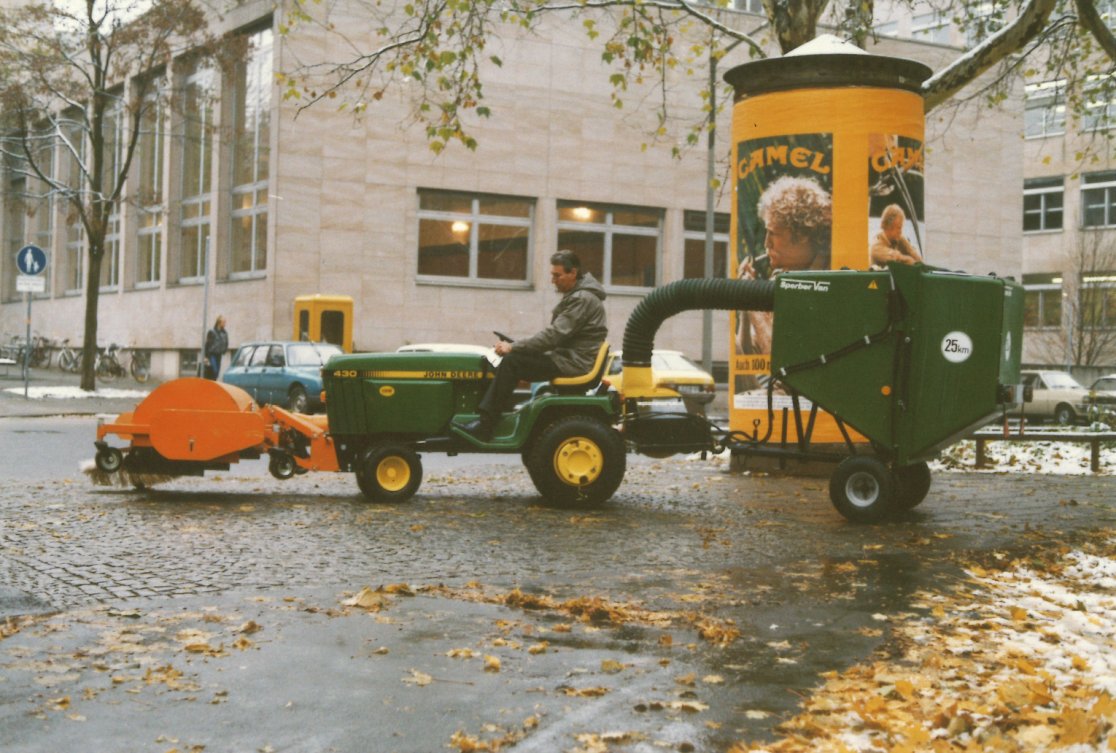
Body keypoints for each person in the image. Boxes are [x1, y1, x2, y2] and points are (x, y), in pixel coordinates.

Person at [458, 250, 607, 440]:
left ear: (573, 273)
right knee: (513, 359)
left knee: (512, 362)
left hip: (572, 363)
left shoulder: (582, 299)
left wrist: (513, 347)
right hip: (570, 358)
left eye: (557, 275)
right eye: (552, 275)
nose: (553, 280)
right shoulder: (580, 296)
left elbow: (553, 336)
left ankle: (485, 424)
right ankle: (494, 417)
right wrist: (517, 346)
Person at [738, 176, 832, 356]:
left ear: (802, 233)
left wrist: (753, 305)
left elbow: (784, 358)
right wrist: (744, 304)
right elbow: (749, 355)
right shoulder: (781, 277)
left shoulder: (828, 278)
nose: (767, 243)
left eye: (773, 233)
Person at [204, 315, 228, 380]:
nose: (225, 324)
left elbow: (226, 342)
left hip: (219, 354)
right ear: (219, 322)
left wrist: (224, 350)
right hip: (212, 354)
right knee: (214, 370)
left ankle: (212, 383)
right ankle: (210, 383)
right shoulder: (212, 332)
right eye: (224, 322)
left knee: (217, 373)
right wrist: (206, 357)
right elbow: (207, 344)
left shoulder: (224, 333)